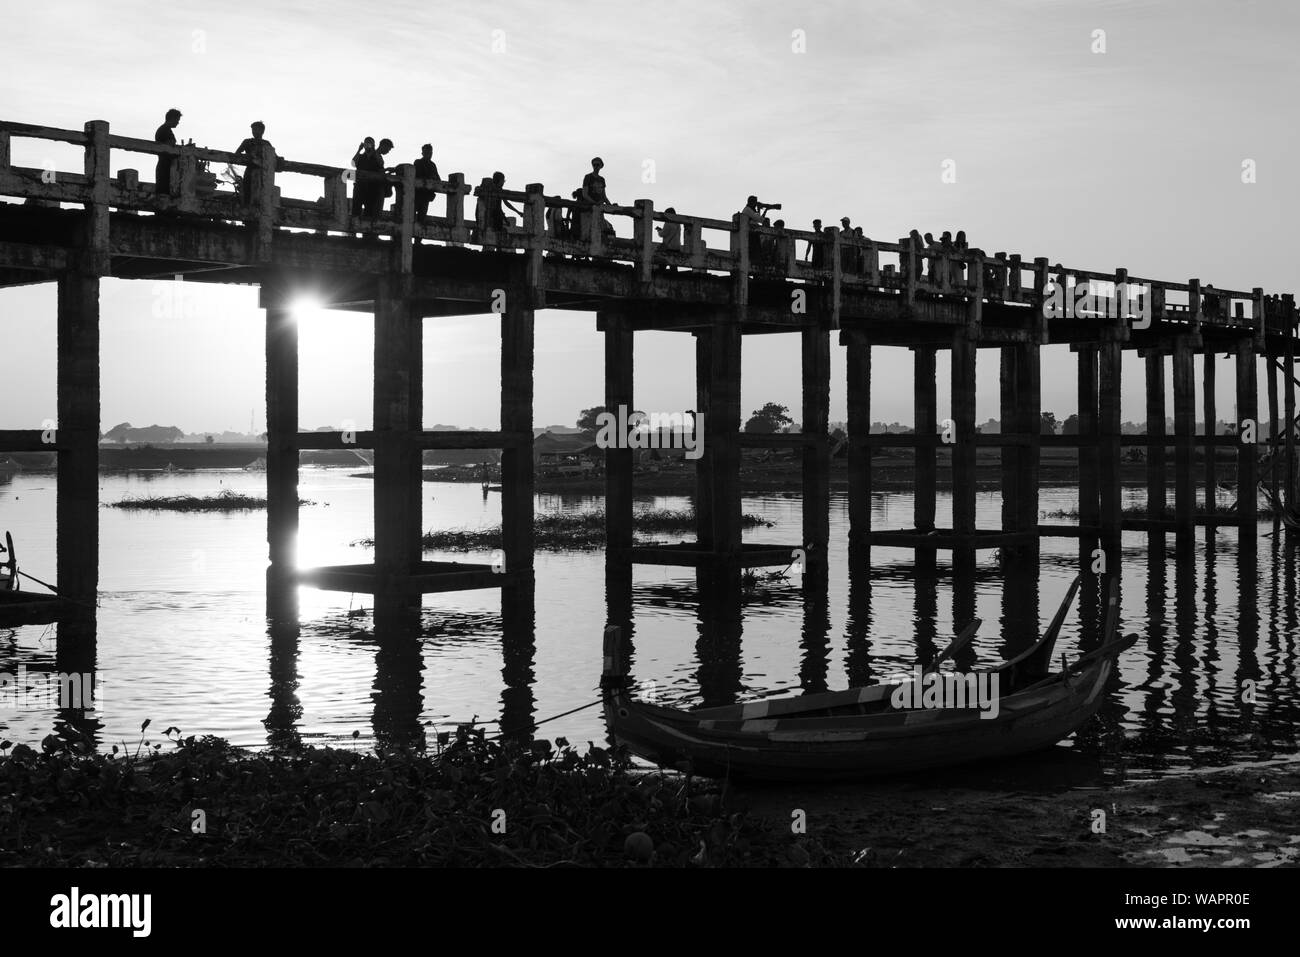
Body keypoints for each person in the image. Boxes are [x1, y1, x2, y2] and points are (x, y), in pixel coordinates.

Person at [233, 121, 277, 205]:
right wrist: (248, 158)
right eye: (253, 130)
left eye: (257, 129)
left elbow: (274, 157)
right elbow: (236, 155)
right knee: (247, 192)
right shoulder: (247, 142)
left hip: (264, 174)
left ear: (262, 131)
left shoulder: (266, 144)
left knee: (262, 194)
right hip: (250, 171)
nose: (254, 132)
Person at [154, 108, 182, 196]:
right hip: (164, 167)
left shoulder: (164, 129)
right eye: (177, 120)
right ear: (172, 118)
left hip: (165, 166)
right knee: (164, 195)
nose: (178, 122)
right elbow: (169, 146)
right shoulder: (164, 130)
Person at [412, 144, 440, 222]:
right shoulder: (418, 162)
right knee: (411, 218)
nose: (429, 154)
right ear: (423, 153)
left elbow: (438, 179)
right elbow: (417, 176)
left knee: (421, 219)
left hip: (426, 196)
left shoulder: (432, 165)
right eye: (427, 152)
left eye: (430, 153)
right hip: (417, 194)